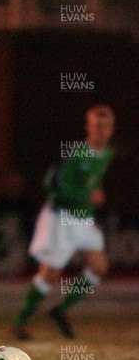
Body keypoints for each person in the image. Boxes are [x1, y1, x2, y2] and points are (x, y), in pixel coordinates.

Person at [12, 105, 115, 340]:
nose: (102, 131)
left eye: (106, 126)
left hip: (84, 218)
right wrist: (85, 196)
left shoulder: (107, 153)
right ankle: (20, 323)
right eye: (98, 126)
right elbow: (52, 184)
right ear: (88, 127)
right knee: (50, 273)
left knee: (99, 267)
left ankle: (61, 310)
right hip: (61, 217)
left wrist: (93, 192)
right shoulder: (77, 153)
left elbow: (91, 181)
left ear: (111, 129)